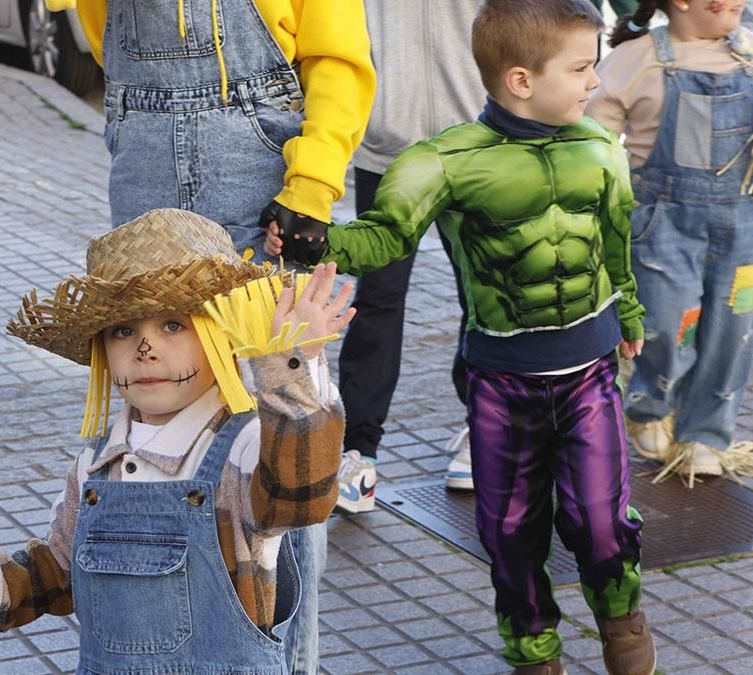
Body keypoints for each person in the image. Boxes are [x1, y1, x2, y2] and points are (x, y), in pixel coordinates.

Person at [269, 1, 657, 673]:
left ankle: (622, 621)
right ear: (520, 80)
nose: (595, 81)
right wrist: (316, 240)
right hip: (501, 380)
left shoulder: (600, 150)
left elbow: (615, 247)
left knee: (601, 517)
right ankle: (534, 651)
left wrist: (629, 323)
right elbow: (386, 239)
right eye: (581, 68)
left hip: (589, 370)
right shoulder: (440, 163)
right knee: (509, 532)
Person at [47, 2, 376, 668]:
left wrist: (312, 185)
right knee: (152, 412)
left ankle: (285, 660)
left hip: (258, 157)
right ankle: (153, 640)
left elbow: (337, 51)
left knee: (276, 420)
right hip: (142, 150)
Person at [0, 209, 354, 674]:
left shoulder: (243, 447)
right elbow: (59, 567)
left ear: (223, 335)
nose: (145, 347)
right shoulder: (96, 467)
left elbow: (300, 497)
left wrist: (294, 370)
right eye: (124, 330)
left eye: (173, 325)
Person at [588, 0, 753, 482]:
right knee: (666, 324)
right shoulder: (634, 59)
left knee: (733, 331)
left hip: (743, 223)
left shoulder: (749, 51)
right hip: (662, 224)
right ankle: (648, 404)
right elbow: (593, 145)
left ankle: (704, 434)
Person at [337, 0, 485, 507]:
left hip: (477, 143)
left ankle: (485, 431)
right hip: (386, 147)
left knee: (485, 294)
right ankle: (358, 452)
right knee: (378, 297)